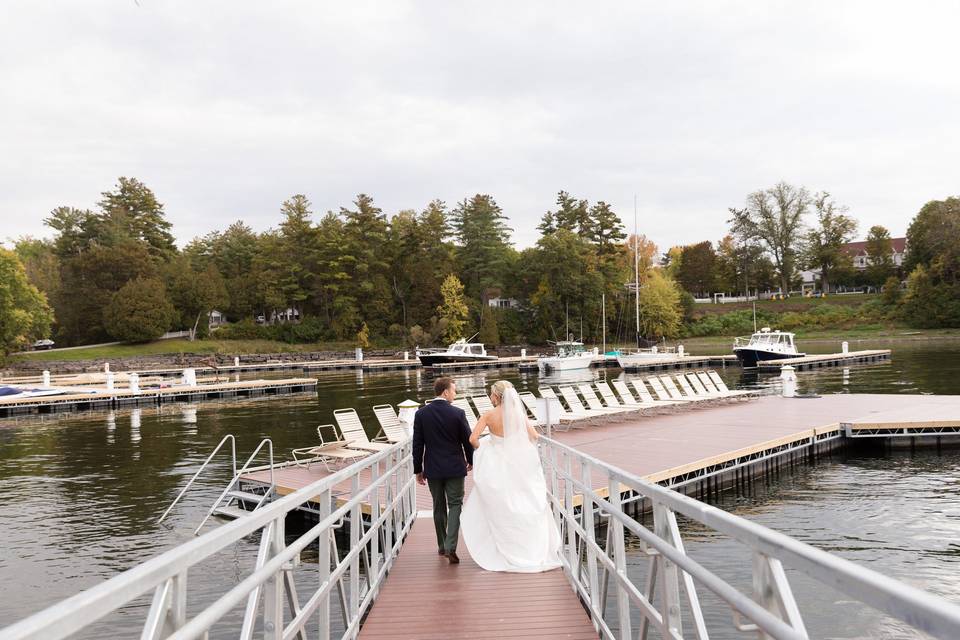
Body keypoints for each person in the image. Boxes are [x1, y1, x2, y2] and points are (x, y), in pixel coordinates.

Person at [461, 380, 561, 572]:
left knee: (501, 504)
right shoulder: (518, 415)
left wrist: (487, 446)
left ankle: (503, 547)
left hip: (496, 464)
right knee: (523, 500)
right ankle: (529, 547)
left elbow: (473, 439)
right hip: (518, 464)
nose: (490, 398)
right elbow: (534, 436)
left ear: (497, 396)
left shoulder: (488, 415)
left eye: (491, 394)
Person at [412, 376, 474, 564]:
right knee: (455, 505)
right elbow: (467, 441)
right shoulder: (458, 413)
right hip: (455, 467)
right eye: (454, 390)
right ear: (445, 392)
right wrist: (471, 460)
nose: (455, 393)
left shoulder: (421, 414)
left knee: (438, 505)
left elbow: (417, 445)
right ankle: (450, 546)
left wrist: (418, 469)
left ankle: (441, 545)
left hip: (433, 468)